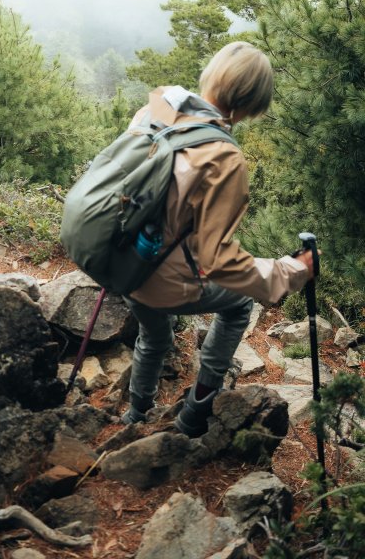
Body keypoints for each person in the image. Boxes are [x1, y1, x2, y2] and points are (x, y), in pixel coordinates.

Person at [122, 41, 316, 435]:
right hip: (161, 280)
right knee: (239, 304)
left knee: (153, 334)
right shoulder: (223, 155)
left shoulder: (154, 111)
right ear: (251, 101)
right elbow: (219, 261)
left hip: (122, 265)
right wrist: (292, 270)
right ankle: (194, 416)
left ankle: (136, 412)